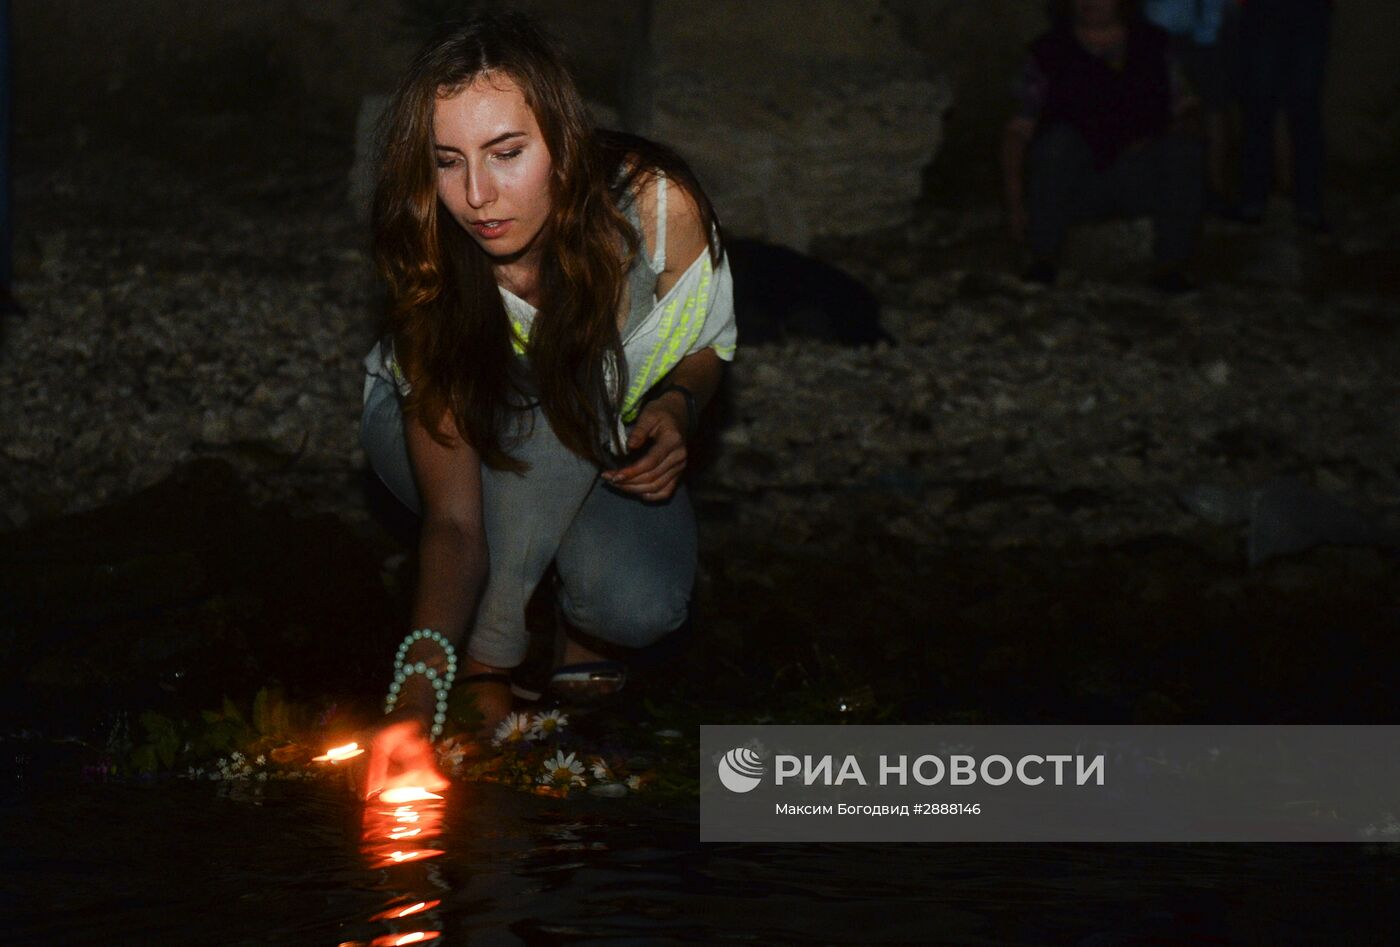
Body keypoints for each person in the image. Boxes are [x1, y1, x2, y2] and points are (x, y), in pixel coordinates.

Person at [355, 13, 736, 797]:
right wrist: (421, 689)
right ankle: (491, 671)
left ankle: (575, 639)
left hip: (589, 436)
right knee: (556, 394)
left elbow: (706, 344)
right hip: (437, 441)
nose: (476, 195)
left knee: (643, 601)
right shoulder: (434, 247)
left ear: (562, 139)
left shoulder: (657, 205)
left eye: (507, 154)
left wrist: (677, 407)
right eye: (446, 161)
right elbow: (457, 520)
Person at [1003, 0, 1204, 294]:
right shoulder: (1049, 52)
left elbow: (1187, 108)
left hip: (1140, 176)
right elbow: (1018, 130)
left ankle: (1171, 267)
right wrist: (1015, 202)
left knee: (1182, 151)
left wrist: (1168, 134)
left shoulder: (1153, 44)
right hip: (1078, 182)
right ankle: (1043, 258)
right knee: (1058, 143)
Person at [1235, 0, 1333, 232]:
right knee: (1260, 104)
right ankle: (1255, 198)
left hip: (1308, 11)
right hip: (1266, 11)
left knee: (1303, 105)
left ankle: (1307, 203)